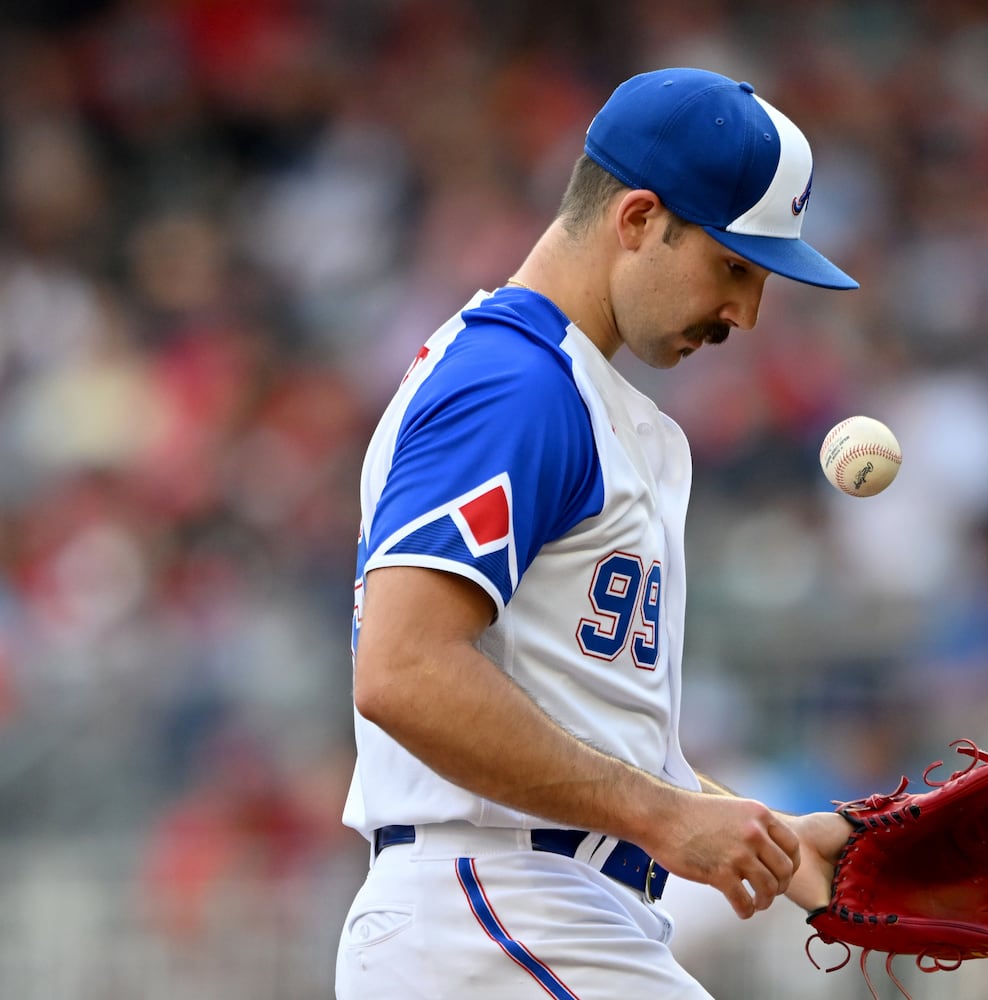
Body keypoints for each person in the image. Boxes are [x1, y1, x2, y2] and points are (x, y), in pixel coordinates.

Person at [335, 67, 858, 999]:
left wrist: (769, 840)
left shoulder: (570, 392)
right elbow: (403, 669)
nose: (746, 312)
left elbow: (584, 729)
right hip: (494, 909)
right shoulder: (515, 385)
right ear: (639, 219)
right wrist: (659, 815)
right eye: (734, 266)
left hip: (530, 910)